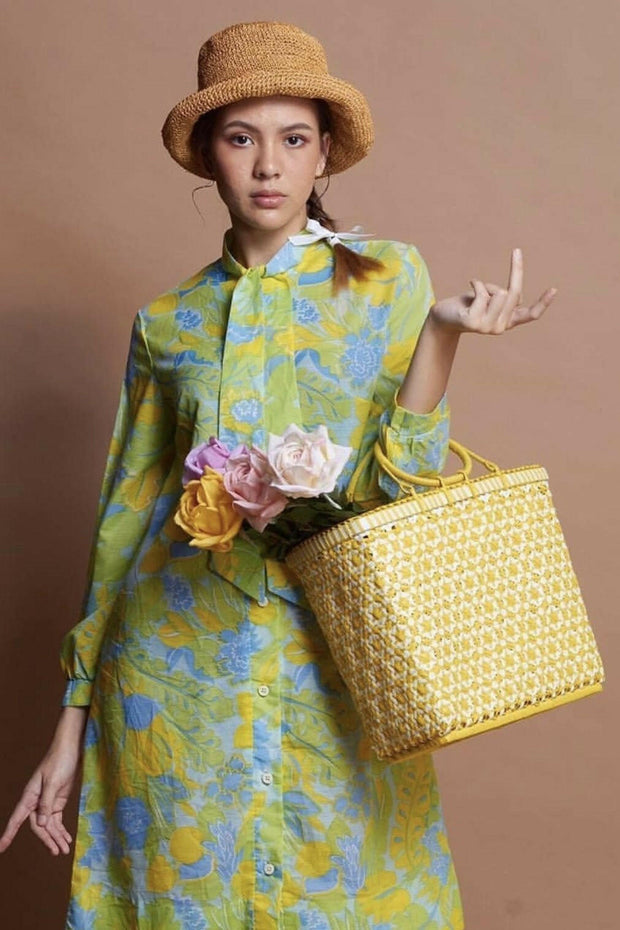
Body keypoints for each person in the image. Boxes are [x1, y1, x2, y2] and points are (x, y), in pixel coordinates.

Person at [0, 21, 556, 930]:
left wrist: (442, 336)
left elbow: (401, 488)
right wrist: (73, 719)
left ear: (324, 153)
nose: (269, 165)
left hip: (339, 659)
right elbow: (123, 520)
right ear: (207, 157)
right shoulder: (167, 322)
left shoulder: (389, 281)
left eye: (294, 139)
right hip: (176, 675)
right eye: (241, 138)